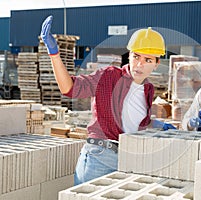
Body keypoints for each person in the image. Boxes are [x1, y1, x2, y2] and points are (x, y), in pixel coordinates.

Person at [40, 15, 176, 185]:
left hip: (127, 159)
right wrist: (54, 54)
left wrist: (156, 124)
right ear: (129, 56)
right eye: (136, 57)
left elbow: (133, 121)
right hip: (99, 157)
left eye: (147, 60)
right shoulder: (109, 76)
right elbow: (69, 88)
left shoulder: (147, 89)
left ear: (156, 63)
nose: (139, 64)